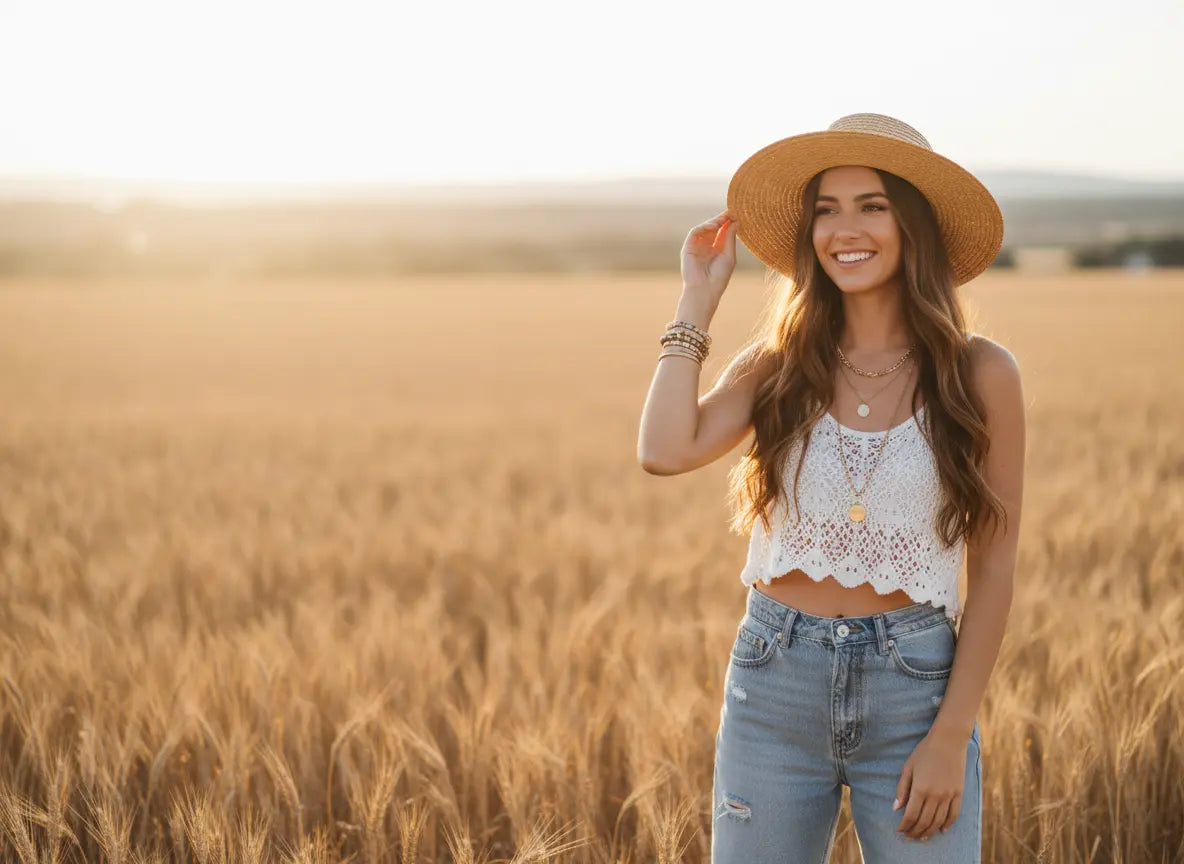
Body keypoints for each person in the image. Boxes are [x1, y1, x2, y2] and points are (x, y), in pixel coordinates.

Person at [637, 113, 1025, 862]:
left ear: (914, 226)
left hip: (916, 690)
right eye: (826, 209)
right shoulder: (779, 364)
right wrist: (696, 303)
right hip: (774, 682)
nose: (845, 228)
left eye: (872, 205)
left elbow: (997, 566)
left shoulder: (981, 374)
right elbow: (663, 449)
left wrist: (951, 736)